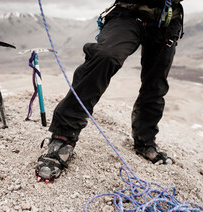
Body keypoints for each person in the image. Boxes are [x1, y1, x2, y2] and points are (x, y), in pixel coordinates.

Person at [36, 0, 184, 181]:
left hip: (167, 18)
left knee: (156, 82)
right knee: (106, 55)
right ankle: (64, 136)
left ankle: (145, 141)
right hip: (129, 13)